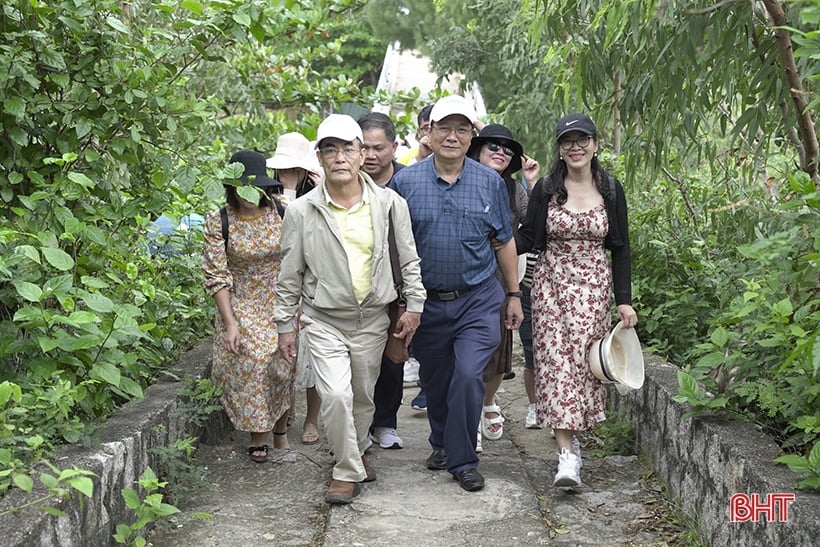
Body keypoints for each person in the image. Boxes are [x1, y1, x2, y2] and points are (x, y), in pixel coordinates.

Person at [274, 114, 425, 505]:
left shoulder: (391, 204)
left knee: (362, 398)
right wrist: (284, 327)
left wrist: (415, 306)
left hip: (373, 319)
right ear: (320, 159)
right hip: (324, 319)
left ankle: (354, 454)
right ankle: (346, 471)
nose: (339, 157)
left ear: (361, 155)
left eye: (347, 149)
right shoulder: (301, 212)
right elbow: (289, 274)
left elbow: (409, 261)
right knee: (336, 395)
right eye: (330, 150)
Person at [390, 95, 523, 493]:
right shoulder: (406, 182)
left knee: (468, 374)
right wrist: (398, 303)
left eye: (462, 129)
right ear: (427, 133)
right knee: (437, 378)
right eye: (444, 127)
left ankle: (464, 460)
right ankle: (441, 444)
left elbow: (503, 242)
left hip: (478, 298)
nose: (452, 136)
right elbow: (393, 246)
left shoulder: (489, 182)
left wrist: (513, 294)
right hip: (425, 302)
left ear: (472, 136)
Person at [516, 112, 637, 487]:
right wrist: (492, 245)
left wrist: (624, 300)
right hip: (550, 287)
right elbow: (528, 236)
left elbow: (621, 249)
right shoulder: (548, 188)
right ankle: (566, 455)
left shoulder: (611, 189)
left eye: (583, 139)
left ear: (595, 144)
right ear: (559, 149)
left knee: (585, 369)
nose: (576, 147)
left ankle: (573, 444)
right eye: (568, 141)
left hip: (593, 293)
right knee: (554, 367)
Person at [201, 150, 291, 464]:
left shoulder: (282, 212)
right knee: (255, 360)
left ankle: (279, 427)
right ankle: (259, 436)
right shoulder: (220, 219)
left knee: (283, 363)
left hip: (281, 296)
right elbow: (216, 274)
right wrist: (230, 322)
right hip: (240, 300)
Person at [465, 124, 540, 448]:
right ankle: (467, 415)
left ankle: (487, 402)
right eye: (492, 145)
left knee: (497, 352)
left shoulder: (513, 190)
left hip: (499, 284)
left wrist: (533, 180)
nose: (500, 151)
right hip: (459, 282)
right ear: (477, 149)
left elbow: (538, 224)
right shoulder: (460, 180)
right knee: (464, 358)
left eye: (507, 149)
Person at [267, 132, 323, 446]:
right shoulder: (267, 195)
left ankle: (311, 419)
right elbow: (279, 233)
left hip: (313, 287)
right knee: (283, 357)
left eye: (293, 169)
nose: (286, 174)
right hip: (280, 286)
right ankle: (282, 416)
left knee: (311, 358)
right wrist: (285, 189)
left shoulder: (321, 195)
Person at [357, 112, 408, 450]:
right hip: (355, 287)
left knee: (393, 357)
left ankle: (385, 422)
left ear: (394, 147)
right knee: (356, 363)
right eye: (365, 147)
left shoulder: (409, 182)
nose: (371, 155)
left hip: (396, 285)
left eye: (379, 148)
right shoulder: (344, 182)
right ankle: (355, 427)